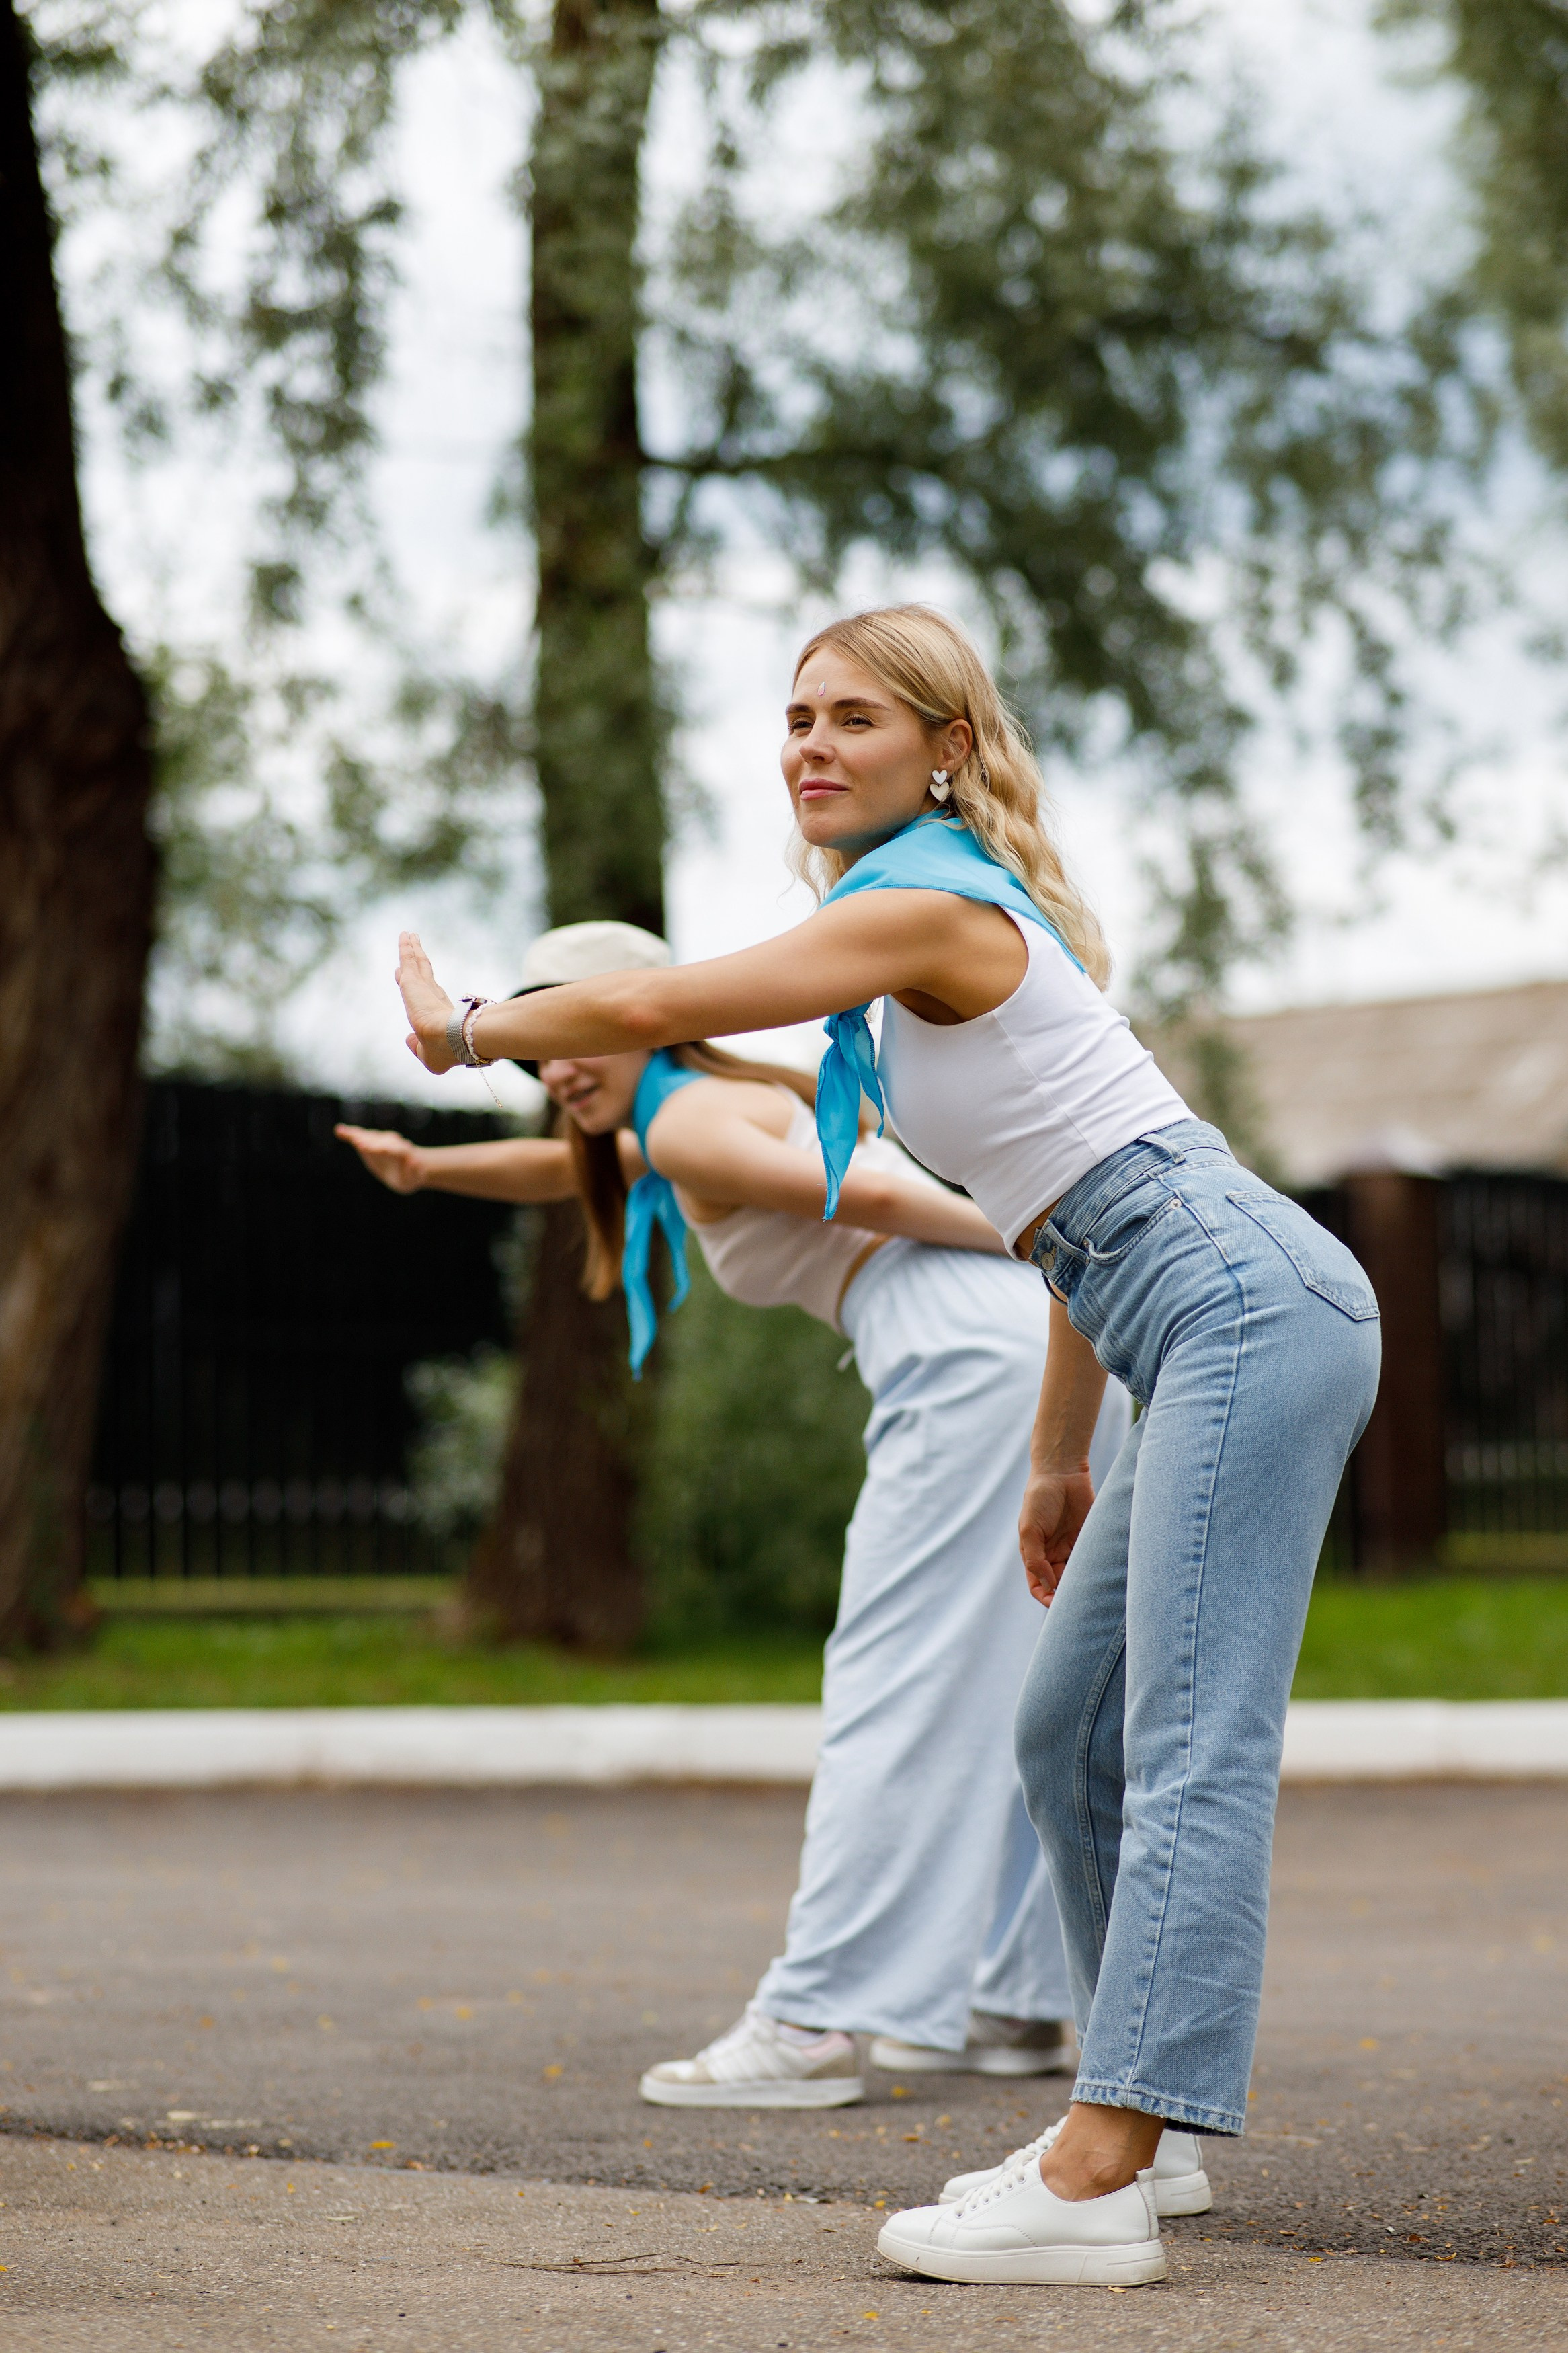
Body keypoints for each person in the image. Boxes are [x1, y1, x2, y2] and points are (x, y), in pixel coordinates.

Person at [390, 604, 1380, 2288]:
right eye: (794, 718)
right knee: (1066, 1733)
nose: (811, 744)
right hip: (1168, 1312)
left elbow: (695, 994)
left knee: (1188, 1740)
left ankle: (1104, 2162)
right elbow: (1056, 1216)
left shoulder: (927, 903)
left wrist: (484, 1023)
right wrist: (1060, 1457)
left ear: (942, 746)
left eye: (853, 715)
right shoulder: (910, 932)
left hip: (1244, 1304)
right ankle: (1138, 2131)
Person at [340, 916, 1138, 2115]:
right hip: (1031, 1356)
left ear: (642, 1016)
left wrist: (1072, 1238)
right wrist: (430, 1167)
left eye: (574, 1022)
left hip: (971, 1360)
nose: (554, 1062)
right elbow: (566, 1169)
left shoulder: (685, 1120)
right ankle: (1022, 2001)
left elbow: (861, 1188)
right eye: (536, 1039)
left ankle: (817, 2017)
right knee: (1034, 1690)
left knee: (898, 1681)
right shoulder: (689, 1113)